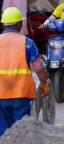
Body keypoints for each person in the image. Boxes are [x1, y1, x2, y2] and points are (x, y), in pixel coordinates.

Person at [0, 7, 48, 136]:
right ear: (18, 24)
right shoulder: (27, 43)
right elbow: (38, 68)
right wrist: (44, 85)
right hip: (20, 95)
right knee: (20, 133)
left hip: (0, 95)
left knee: (3, 133)